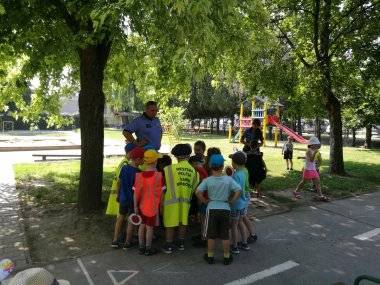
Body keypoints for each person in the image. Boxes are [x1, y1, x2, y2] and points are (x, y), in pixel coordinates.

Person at [195, 154, 241, 265]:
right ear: (222, 166)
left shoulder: (207, 180)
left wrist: (205, 201)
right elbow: (238, 190)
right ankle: (226, 256)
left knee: (211, 235)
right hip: (225, 208)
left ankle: (210, 256)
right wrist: (231, 201)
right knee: (225, 235)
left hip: (211, 209)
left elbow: (197, 192)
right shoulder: (228, 180)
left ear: (210, 166)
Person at [162, 144, 199, 254]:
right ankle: (181, 243)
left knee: (170, 222)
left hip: (170, 202)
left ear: (176, 156)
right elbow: (193, 189)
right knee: (183, 221)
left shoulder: (168, 169)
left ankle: (169, 245)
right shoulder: (194, 172)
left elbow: (164, 186)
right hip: (186, 201)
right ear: (188, 155)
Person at [111, 147, 145, 249]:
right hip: (132, 201)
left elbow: (119, 183)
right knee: (131, 221)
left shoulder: (124, 168)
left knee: (120, 218)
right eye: (142, 158)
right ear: (138, 159)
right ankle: (127, 243)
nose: (144, 160)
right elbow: (139, 189)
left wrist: (118, 195)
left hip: (123, 198)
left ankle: (115, 240)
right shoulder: (139, 172)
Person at [133, 149, 165, 256]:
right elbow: (162, 194)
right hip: (152, 206)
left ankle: (141, 247)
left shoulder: (139, 175)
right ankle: (148, 248)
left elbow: (135, 193)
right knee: (150, 227)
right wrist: (161, 206)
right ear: (155, 161)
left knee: (142, 225)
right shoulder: (159, 176)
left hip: (141, 206)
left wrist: (135, 207)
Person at [294, 137, 329, 201]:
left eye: (318, 144)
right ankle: (296, 192)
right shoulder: (309, 150)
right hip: (308, 170)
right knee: (303, 182)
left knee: (317, 182)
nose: (317, 146)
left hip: (313, 169)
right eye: (316, 144)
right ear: (312, 144)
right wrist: (315, 153)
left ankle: (320, 195)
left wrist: (316, 154)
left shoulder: (314, 150)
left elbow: (308, 158)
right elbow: (311, 160)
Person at [229, 151, 250, 254]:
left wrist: (230, 200)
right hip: (243, 203)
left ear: (235, 163)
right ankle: (245, 243)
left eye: (232, 161)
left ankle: (235, 245)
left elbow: (235, 190)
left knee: (234, 224)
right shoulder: (245, 171)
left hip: (236, 204)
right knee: (240, 222)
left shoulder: (236, 175)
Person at [188, 155, 209, 247]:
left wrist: (200, 199)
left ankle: (204, 239)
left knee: (204, 219)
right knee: (202, 218)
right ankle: (202, 235)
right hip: (204, 197)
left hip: (204, 198)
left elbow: (202, 185)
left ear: (194, 164)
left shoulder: (199, 171)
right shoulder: (201, 169)